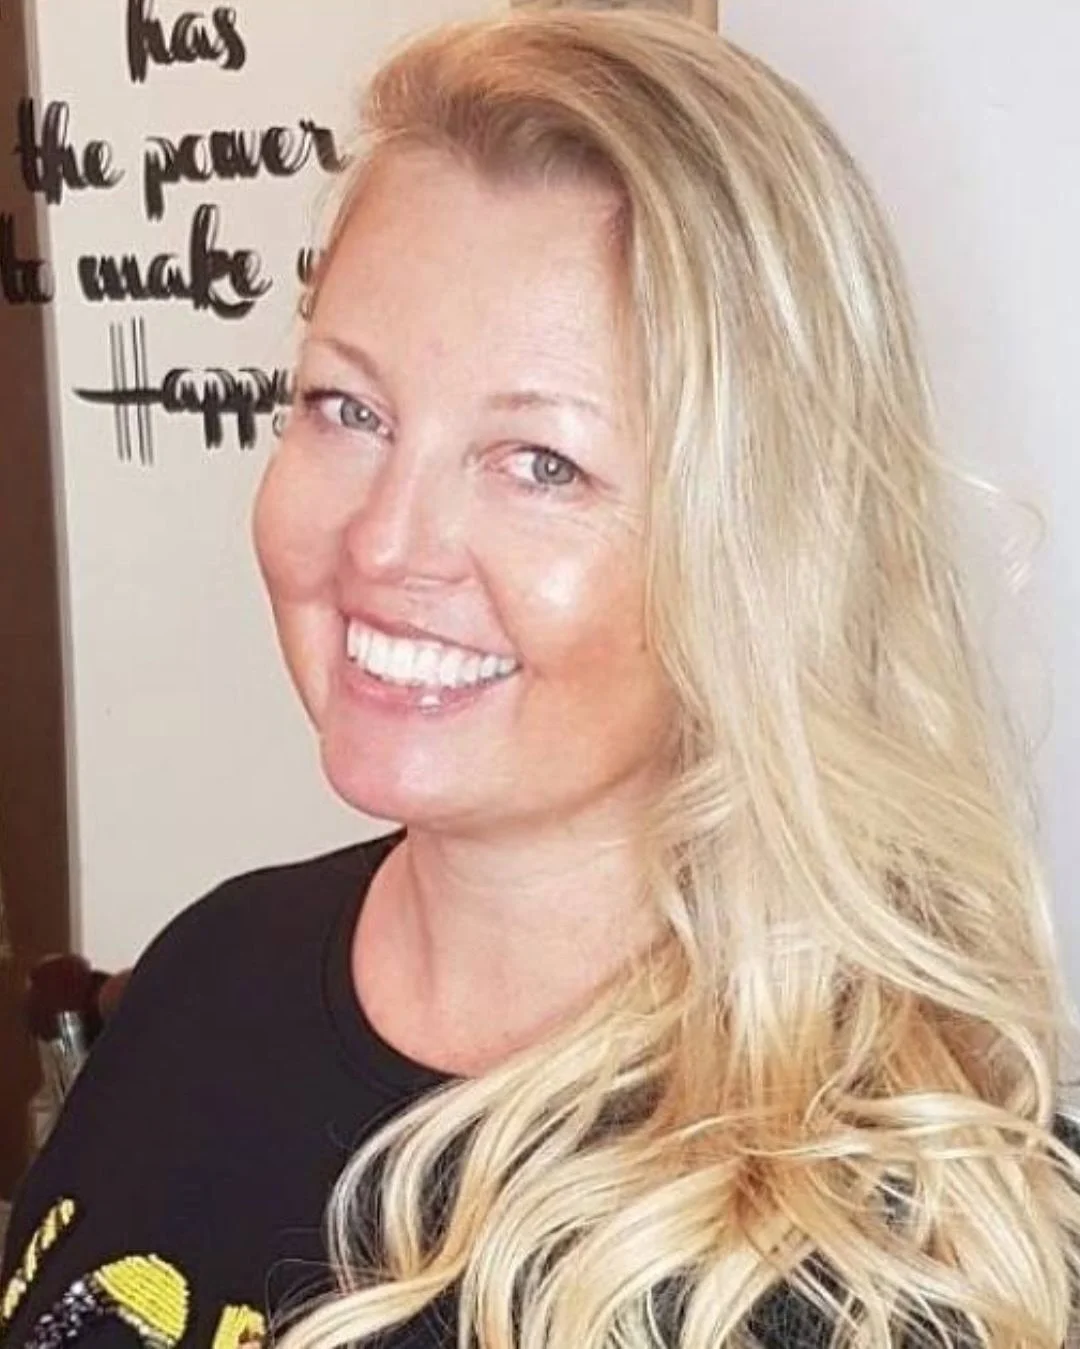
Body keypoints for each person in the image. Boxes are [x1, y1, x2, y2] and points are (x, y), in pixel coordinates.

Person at [3, 8, 1079, 1348]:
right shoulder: (211, 968)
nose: (385, 543)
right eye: (351, 409)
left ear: (757, 544)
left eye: (541, 463)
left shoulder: (863, 1257)